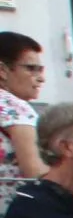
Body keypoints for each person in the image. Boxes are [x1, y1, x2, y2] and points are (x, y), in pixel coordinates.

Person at [0, 31, 43, 183]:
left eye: (40, 69)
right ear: (2, 71)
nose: (41, 78)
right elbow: (36, 172)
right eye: (31, 68)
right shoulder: (14, 107)